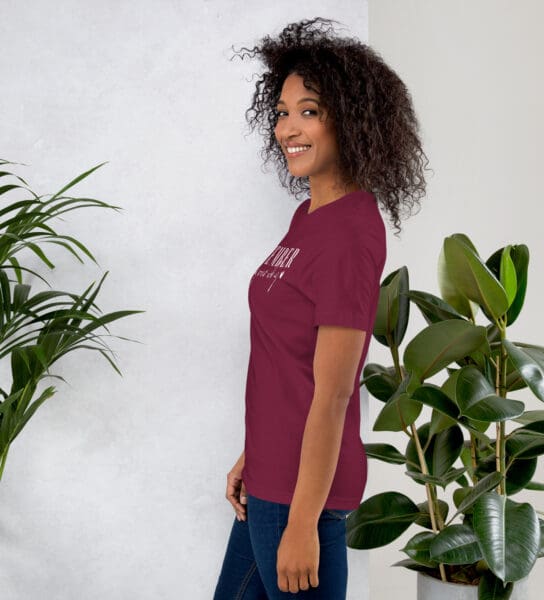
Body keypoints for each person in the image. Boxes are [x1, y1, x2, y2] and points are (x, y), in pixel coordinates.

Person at [213, 17, 428, 599]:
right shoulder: (308, 217)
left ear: (352, 121)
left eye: (309, 111)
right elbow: (290, 362)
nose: (289, 128)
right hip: (271, 482)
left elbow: (334, 393)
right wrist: (254, 453)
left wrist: (304, 523)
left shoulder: (352, 230)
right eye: (282, 112)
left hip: (303, 498)